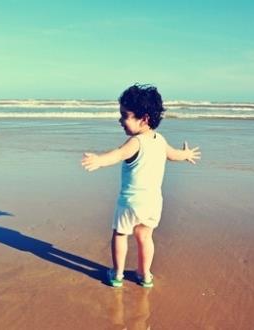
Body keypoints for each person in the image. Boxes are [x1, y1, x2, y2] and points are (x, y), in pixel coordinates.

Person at [81, 84, 201, 288]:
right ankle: (144, 275)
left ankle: (117, 274)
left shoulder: (135, 142)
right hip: (153, 202)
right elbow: (173, 155)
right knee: (145, 237)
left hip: (130, 201)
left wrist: (99, 160)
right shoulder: (160, 140)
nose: (120, 120)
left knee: (120, 234)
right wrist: (187, 154)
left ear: (144, 118)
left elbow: (118, 154)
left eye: (124, 115)